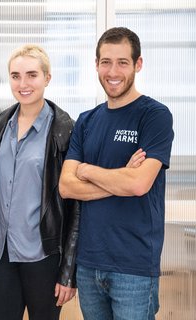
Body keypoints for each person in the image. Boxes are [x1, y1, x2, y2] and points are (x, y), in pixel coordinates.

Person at [59, 27, 174, 320]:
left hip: (134, 267)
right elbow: (67, 186)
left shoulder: (155, 116)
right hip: (88, 262)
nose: (113, 71)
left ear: (138, 64)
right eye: (106, 62)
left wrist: (87, 170)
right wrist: (120, 176)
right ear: (96, 65)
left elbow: (138, 184)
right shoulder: (86, 121)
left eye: (122, 62)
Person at [0, 44, 79, 320]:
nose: (23, 83)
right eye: (15, 76)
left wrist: (68, 270)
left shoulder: (65, 130)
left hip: (44, 256)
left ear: (47, 78)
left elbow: (75, 206)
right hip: (2, 253)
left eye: (32, 75)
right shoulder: (1, 124)